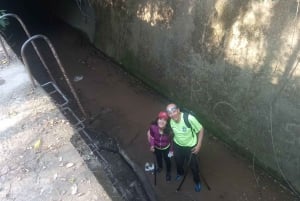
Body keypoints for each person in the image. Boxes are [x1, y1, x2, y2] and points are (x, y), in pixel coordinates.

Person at [166, 103, 204, 192]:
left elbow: (201, 129)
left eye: (173, 111)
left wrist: (199, 145)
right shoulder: (171, 121)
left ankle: (197, 181)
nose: (172, 114)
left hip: (190, 146)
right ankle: (180, 173)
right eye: (169, 113)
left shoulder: (189, 118)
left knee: (194, 166)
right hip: (177, 145)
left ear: (178, 110)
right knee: (178, 161)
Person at [147, 111, 173, 182]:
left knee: (167, 160)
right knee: (158, 158)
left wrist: (171, 151)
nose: (162, 121)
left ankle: (168, 172)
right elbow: (152, 137)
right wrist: (152, 145)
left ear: (167, 123)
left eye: (164, 120)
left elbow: (172, 142)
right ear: (157, 120)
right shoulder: (152, 128)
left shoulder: (170, 132)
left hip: (166, 148)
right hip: (157, 147)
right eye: (160, 119)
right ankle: (160, 167)